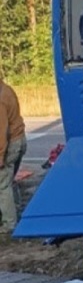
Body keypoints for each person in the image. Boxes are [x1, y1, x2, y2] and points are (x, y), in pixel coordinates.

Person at [0, 78, 26, 233]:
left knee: (3, 185)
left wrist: (0, 156)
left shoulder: (1, 100)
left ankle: (9, 223)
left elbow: (1, 133)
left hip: (11, 144)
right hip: (20, 139)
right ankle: (14, 212)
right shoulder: (7, 89)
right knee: (8, 180)